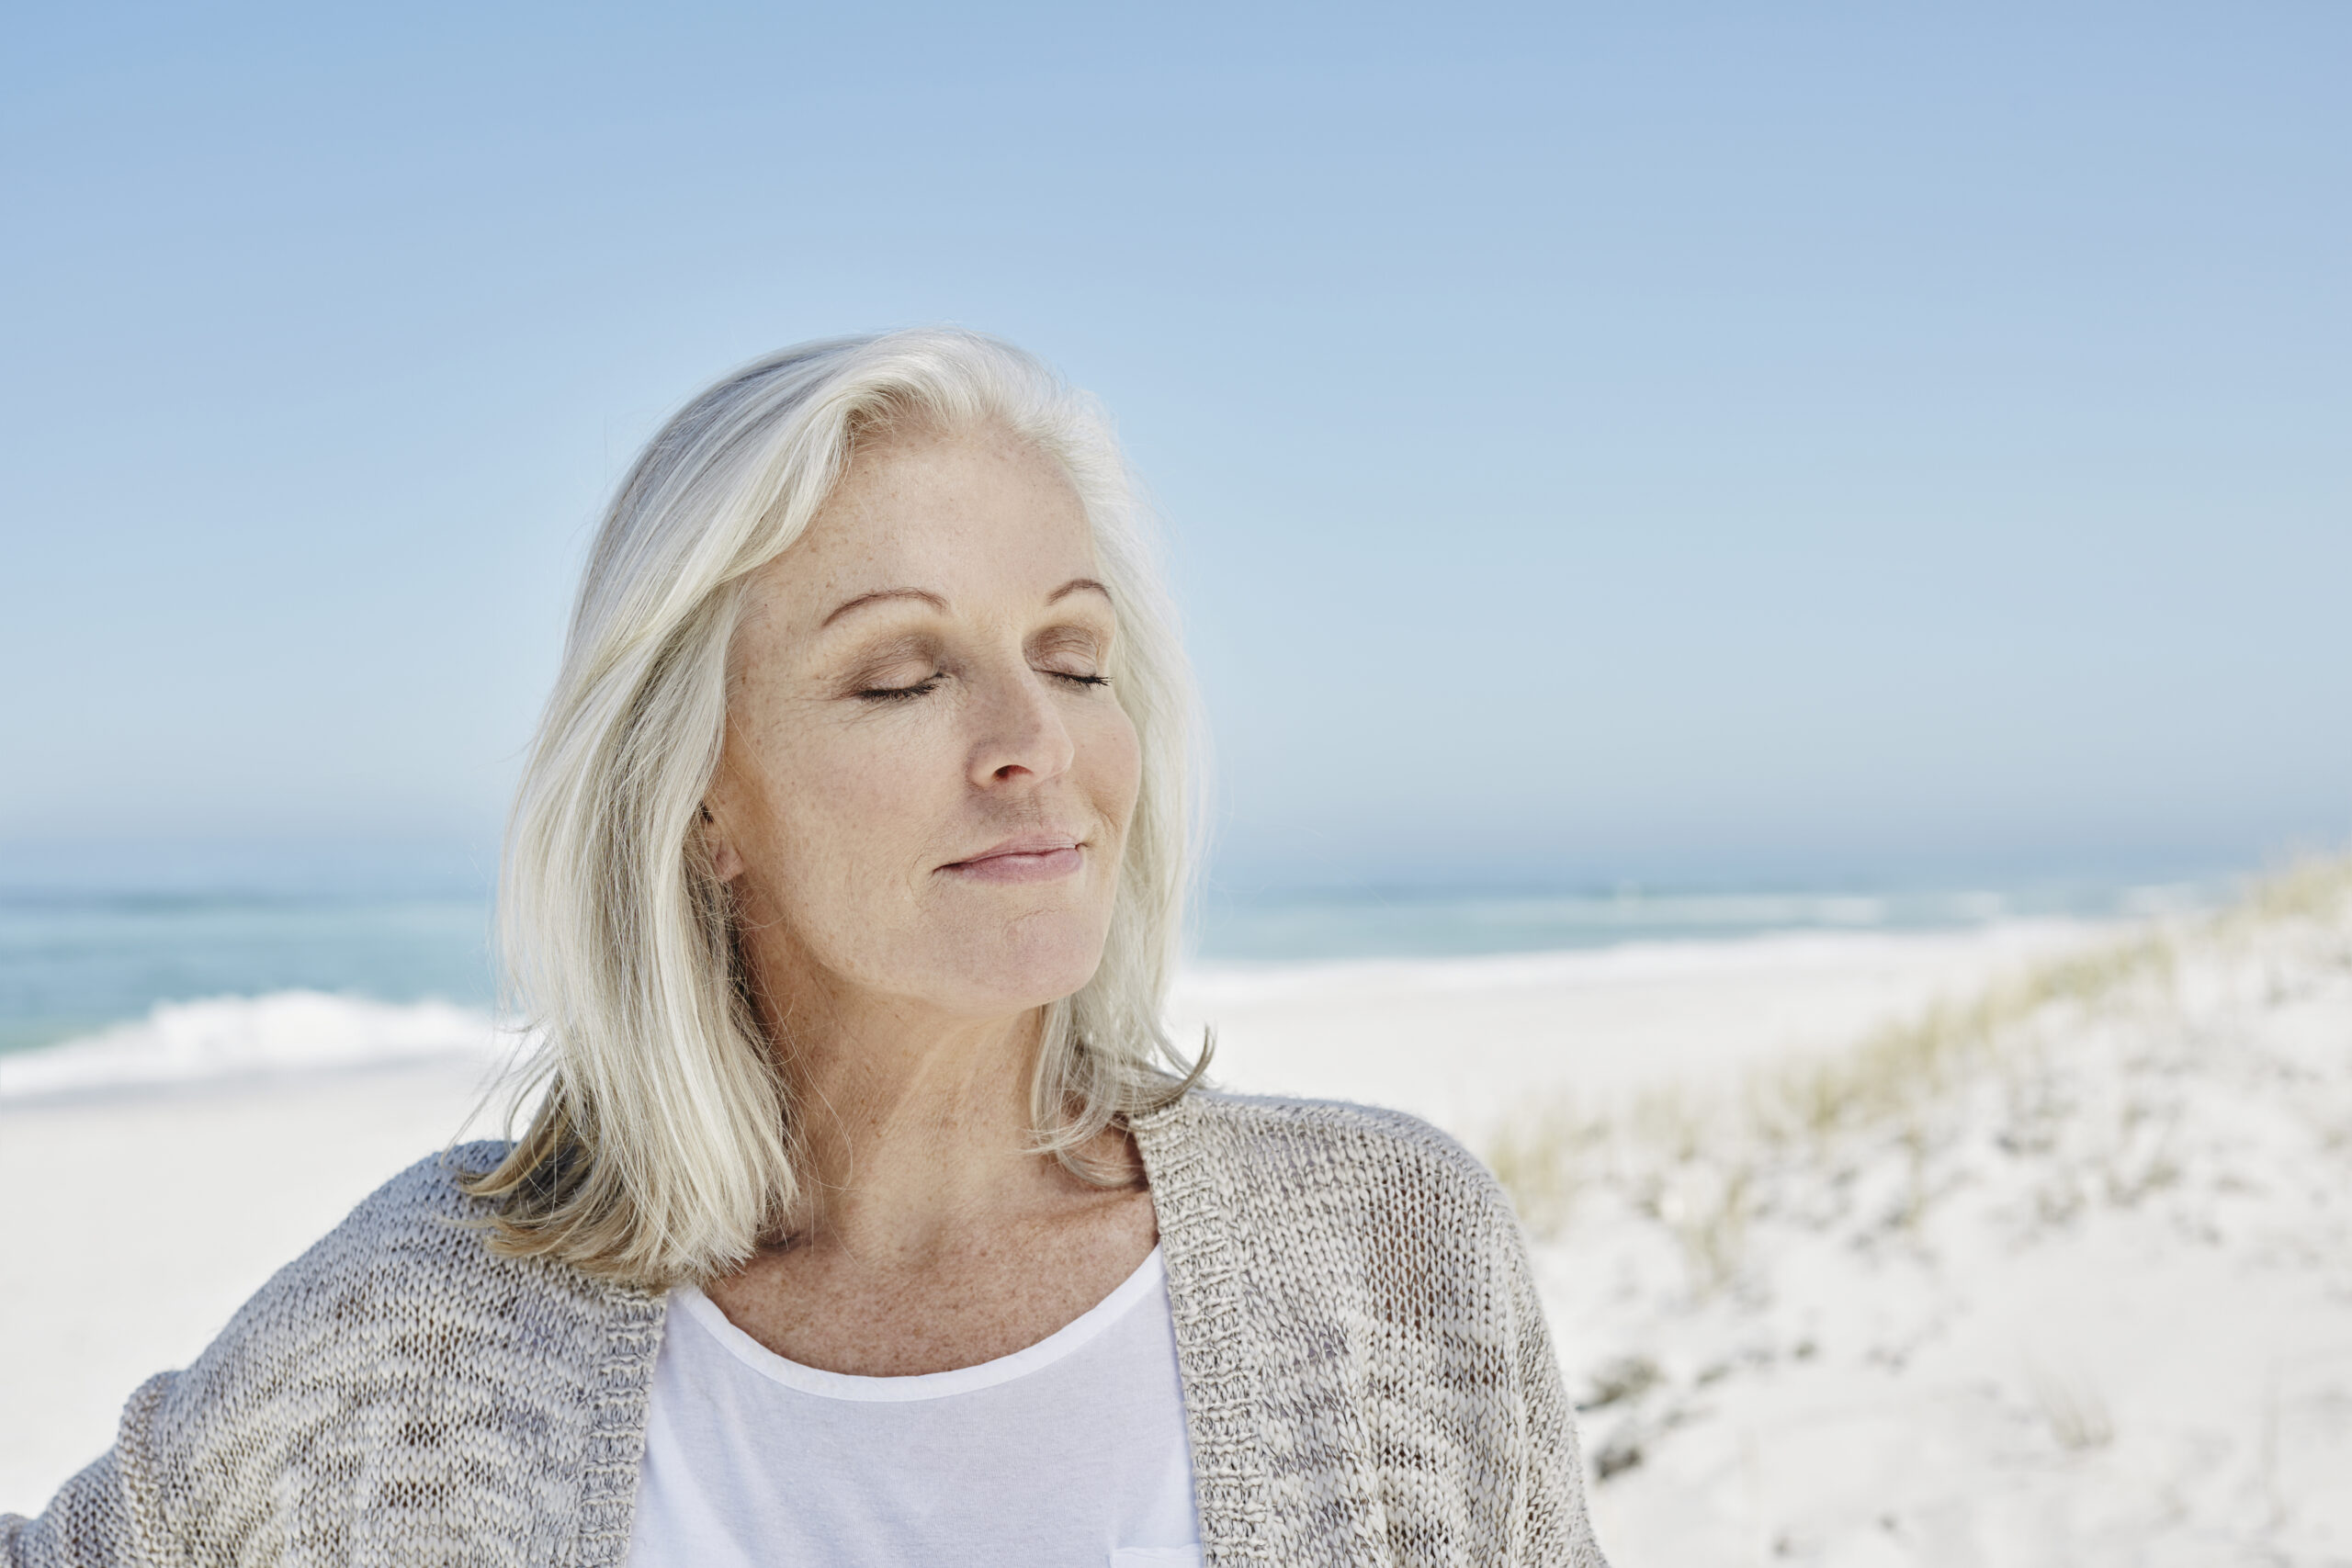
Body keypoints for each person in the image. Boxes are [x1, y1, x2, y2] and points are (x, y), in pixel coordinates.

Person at [3, 330, 1609, 1567]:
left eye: (1072, 656)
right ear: (703, 799)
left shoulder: (1390, 1256)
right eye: (903, 678)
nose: (1030, 744)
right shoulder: (426, 1322)